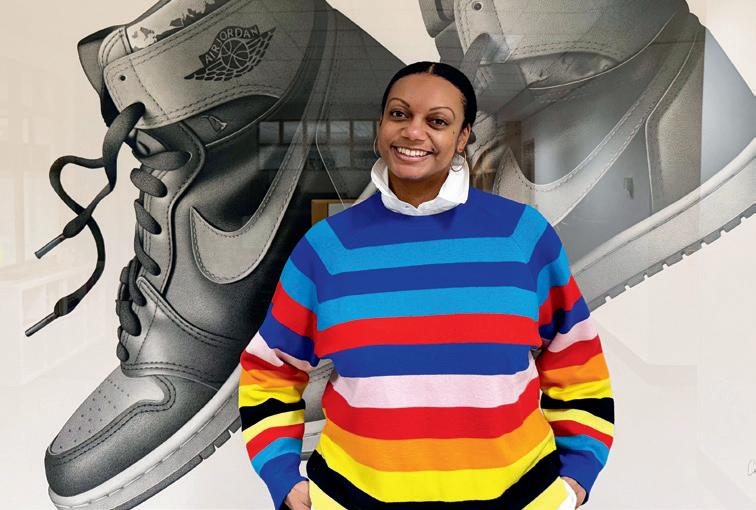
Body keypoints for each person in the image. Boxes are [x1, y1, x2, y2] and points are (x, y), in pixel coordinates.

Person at [238, 61, 614, 510]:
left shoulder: (522, 236)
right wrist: (283, 478)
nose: (413, 132)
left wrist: (577, 476)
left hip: (518, 496)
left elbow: (577, 363)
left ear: (463, 137)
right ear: (380, 125)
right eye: (399, 114)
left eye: (437, 121)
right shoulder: (327, 248)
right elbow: (270, 370)